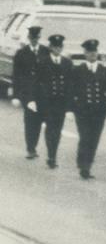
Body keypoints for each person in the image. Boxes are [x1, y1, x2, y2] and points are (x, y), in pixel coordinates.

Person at [67, 38, 106, 180]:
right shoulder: (77, 70)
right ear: (85, 53)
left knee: (94, 139)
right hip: (82, 111)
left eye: (94, 52)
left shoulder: (104, 71)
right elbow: (70, 90)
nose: (92, 54)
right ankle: (83, 165)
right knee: (85, 137)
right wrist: (69, 109)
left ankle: (88, 164)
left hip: (98, 112)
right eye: (89, 52)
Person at [27, 32, 73, 169]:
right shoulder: (42, 61)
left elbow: (70, 85)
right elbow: (34, 82)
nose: (58, 49)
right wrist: (32, 99)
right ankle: (49, 155)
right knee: (49, 128)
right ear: (50, 47)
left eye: (60, 47)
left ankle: (52, 155)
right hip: (45, 102)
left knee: (56, 130)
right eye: (55, 47)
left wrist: (70, 106)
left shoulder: (67, 63)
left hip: (60, 102)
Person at [13, 25, 48, 159]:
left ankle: (34, 145)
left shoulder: (45, 51)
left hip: (42, 93)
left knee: (39, 120)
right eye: (32, 38)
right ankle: (31, 148)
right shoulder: (21, 53)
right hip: (27, 92)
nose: (34, 40)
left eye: (36, 38)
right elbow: (16, 75)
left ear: (39, 38)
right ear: (28, 38)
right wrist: (16, 94)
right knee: (30, 120)